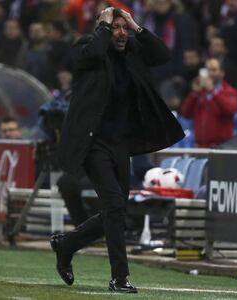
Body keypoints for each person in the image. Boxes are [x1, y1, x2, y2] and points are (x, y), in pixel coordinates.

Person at [51, 7, 184, 293]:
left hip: (121, 143)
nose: (121, 33)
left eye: (125, 29)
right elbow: (92, 55)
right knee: (114, 206)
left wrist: (136, 26)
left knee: (117, 210)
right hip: (93, 142)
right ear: (104, 29)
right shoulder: (88, 47)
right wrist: (103, 26)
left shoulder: (133, 49)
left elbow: (162, 55)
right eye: (116, 28)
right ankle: (119, 278)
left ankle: (67, 245)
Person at [181, 58, 237, 148]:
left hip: (221, 147)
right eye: (208, 70)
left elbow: (230, 110)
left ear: (222, 73)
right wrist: (194, 94)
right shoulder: (199, 93)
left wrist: (212, 91)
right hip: (199, 147)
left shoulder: (229, 91)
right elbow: (185, 113)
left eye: (214, 70)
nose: (210, 73)